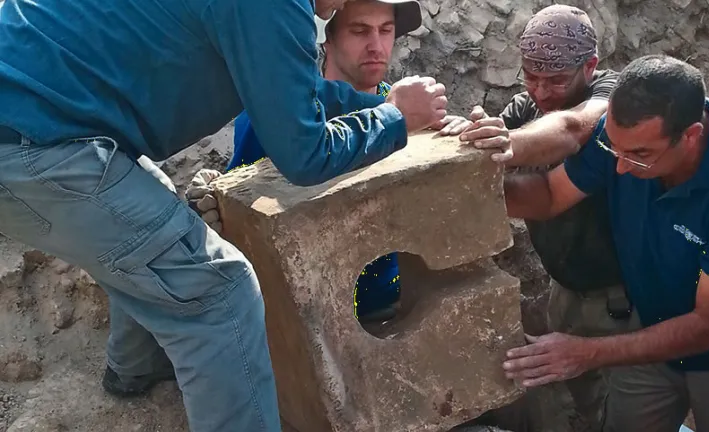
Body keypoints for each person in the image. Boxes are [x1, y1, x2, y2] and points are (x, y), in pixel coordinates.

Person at [0, 0, 449, 429]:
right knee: (220, 294)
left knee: (150, 208)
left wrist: (383, 109)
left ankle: (134, 369)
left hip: (35, 115)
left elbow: (290, 92)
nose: (332, 9)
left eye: (385, 30)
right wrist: (392, 119)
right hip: (34, 138)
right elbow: (305, 154)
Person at [501, 54, 709, 432]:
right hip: (649, 334)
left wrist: (585, 353)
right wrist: (475, 188)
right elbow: (549, 195)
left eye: (640, 156)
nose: (621, 168)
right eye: (614, 149)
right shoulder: (626, 136)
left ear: (690, 136)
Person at [187, 0, 470, 322]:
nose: (376, 46)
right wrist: (212, 201)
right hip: (301, 314)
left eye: (386, 30)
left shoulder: (414, 114)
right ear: (326, 36)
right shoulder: (278, 116)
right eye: (360, 31)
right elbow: (237, 202)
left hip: (394, 303)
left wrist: (460, 138)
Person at [457, 5, 627, 429]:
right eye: (530, 77)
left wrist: (507, 144)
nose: (541, 92)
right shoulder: (526, 106)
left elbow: (572, 128)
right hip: (564, 290)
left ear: (590, 66)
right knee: (583, 402)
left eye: (555, 80)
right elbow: (494, 135)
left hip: (621, 300)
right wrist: (472, 135)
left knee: (625, 411)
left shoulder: (615, 95)